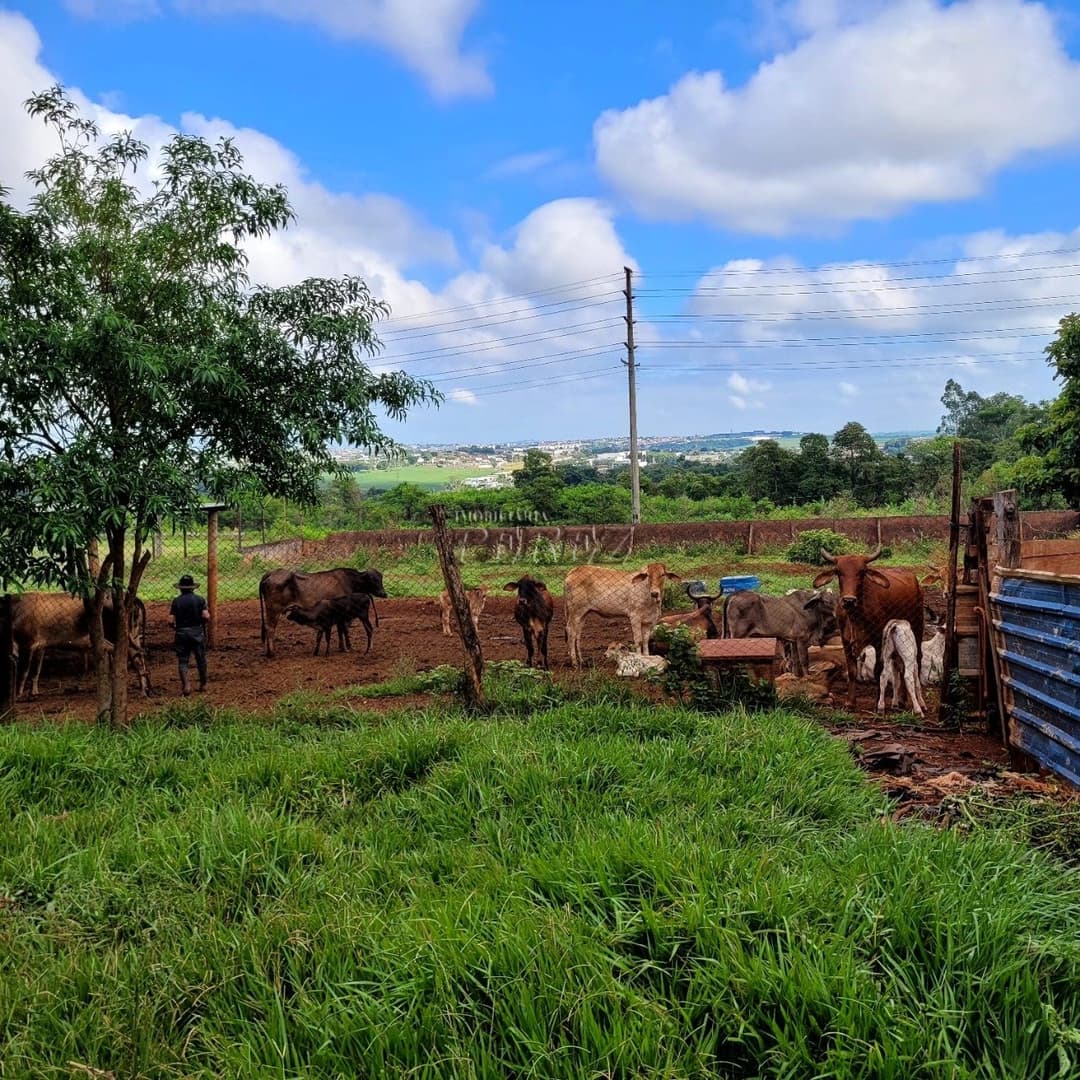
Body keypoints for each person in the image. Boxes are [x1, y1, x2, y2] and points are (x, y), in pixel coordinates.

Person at [169, 574, 209, 695]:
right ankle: (203, 684)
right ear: (193, 588)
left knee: (183, 660)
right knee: (201, 659)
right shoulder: (200, 600)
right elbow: (206, 616)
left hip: (181, 632)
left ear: (180, 588)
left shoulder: (176, 601)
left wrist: (175, 628)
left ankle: (186, 685)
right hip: (197, 632)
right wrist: (202, 624)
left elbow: (170, 620)